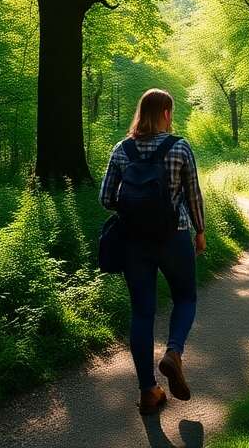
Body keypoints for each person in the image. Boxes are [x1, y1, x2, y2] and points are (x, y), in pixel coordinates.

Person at [100, 88, 206, 415]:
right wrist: (200, 231)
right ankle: (173, 353)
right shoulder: (180, 147)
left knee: (142, 313)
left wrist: (132, 208)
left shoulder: (122, 149)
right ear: (165, 114)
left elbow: (106, 198)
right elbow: (193, 195)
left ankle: (148, 391)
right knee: (185, 298)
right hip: (174, 237)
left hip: (134, 242)